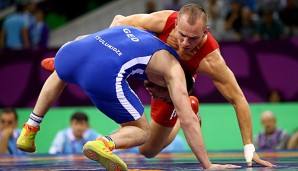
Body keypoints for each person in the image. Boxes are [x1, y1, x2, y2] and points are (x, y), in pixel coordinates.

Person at [41, 3, 273, 167]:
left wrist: (249, 148)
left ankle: (188, 111)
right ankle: (64, 62)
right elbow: (119, 22)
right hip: (147, 70)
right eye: (182, 35)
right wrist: (87, 50)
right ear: (176, 26)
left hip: (172, 88)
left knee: (148, 150)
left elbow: (238, 99)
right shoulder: (163, 20)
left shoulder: (211, 60)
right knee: (88, 45)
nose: (185, 43)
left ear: (206, 32)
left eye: (193, 38)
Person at [16, 26, 240, 170]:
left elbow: (88, 37)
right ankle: (103, 144)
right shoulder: (173, 70)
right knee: (143, 132)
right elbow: (188, 120)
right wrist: (208, 166)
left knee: (61, 72)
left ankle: (30, 129)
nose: (155, 94)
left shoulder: (141, 29)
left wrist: (61, 60)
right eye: (167, 94)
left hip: (70, 50)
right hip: (100, 71)